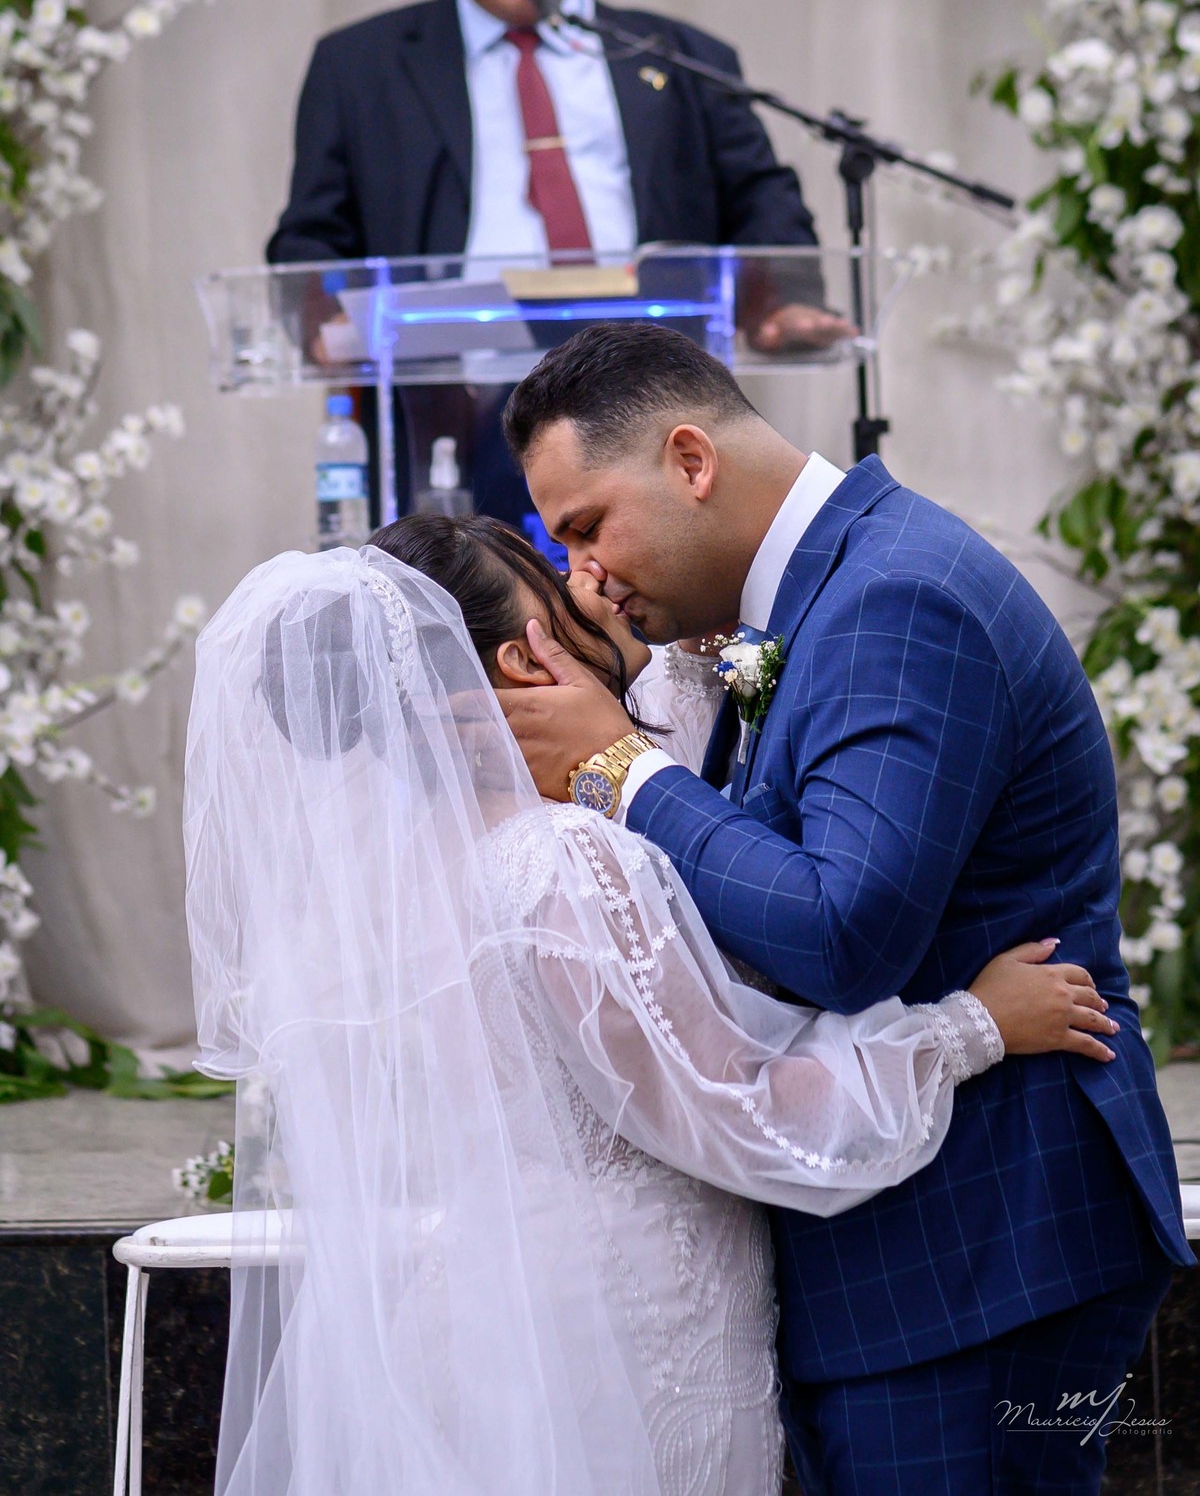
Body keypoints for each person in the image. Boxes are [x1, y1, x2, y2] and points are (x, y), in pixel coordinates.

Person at [184, 531, 1114, 1496]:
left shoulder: (403, 870)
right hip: (627, 1334)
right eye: (556, 580)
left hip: (490, 1310)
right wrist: (972, 1027)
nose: (588, 582)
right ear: (525, 658)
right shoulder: (562, 863)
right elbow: (735, 1105)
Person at [493, 321, 1192, 1496]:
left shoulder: (892, 599)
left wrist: (623, 769)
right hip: (908, 1249)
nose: (585, 573)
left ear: (690, 459)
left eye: (588, 524)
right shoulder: (811, 598)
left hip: (974, 1252)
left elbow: (841, 935)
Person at [266, 0, 851, 526]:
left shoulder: (676, 56)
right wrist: (321, 321)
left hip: (651, 399)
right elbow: (310, 235)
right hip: (450, 406)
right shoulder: (361, 66)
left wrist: (783, 298)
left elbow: (761, 194)